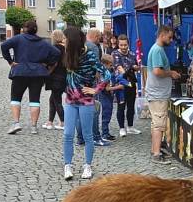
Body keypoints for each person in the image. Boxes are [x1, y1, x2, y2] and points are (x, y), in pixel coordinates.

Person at [61, 26, 112, 180]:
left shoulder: (89, 56)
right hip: (70, 100)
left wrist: (96, 90)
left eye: (65, 38)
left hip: (86, 101)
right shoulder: (67, 54)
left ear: (73, 41)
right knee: (68, 134)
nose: (63, 41)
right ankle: (67, 166)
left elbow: (107, 74)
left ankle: (87, 166)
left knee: (88, 135)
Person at [1, 20, 61, 135]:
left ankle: (16, 123)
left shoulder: (18, 38)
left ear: (24, 28)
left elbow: (4, 46)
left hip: (20, 71)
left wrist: (10, 61)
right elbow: (57, 53)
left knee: (15, 98)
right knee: (35, 99)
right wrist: (47, 63)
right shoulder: (43, 42)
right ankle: (33, 127)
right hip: (37, 73)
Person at [145, 25, 180, 164]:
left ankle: (156, 148)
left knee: (157, 124)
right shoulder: (158, 50)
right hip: (157, 94)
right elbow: (157, 72)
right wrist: (171, 73)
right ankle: (156, 153)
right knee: (159, 124)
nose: (171, 40)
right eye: (170, 37)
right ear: (162, 35)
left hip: (157, 93)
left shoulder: (157, 49)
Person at [112, 34, 140, 137]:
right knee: (121, 106)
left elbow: (136, 66)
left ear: (128, 44)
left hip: (131, 83)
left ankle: (130, 126)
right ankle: (121, 128)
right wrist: (125, 72)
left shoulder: (132, 54)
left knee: (131, 106)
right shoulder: (115, 53)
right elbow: (118, 67)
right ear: (118, 44)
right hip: (121, 84)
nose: (123, 47)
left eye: (125, 45)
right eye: (121, 45)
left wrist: (136, 67)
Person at [43, 29, 67, 130]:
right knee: (52, 99)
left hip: (56, 77)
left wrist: (47, 72)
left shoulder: (54, 49)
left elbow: (53, 63)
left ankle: (63, 122)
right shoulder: (65, 49)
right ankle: (50, 122)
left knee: (56, 100)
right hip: (63, 76)